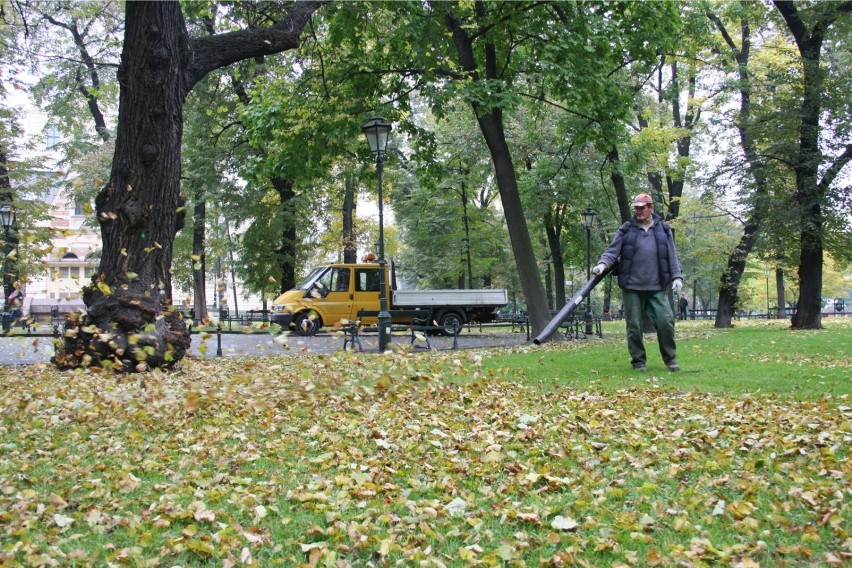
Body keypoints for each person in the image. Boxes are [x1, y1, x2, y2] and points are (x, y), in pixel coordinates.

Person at [592, 193, 684, 372]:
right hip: (632, 286)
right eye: (636, 208)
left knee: (666, 322)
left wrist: (677, 277)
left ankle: (670, 359)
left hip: (657, 286)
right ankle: (638, 362)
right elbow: (612, 252)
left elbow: (671, 255)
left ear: (651, 208)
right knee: (634, 326)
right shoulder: (626, 229)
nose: (639, 211)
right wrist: (602, 265)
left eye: (642, 207)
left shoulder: (663, 229)